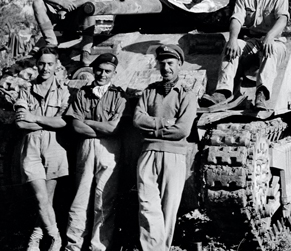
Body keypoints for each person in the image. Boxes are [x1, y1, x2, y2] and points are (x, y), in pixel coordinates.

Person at [200, 0, 289, 110]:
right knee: (232, 47)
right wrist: (233, 39)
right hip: (253, 41)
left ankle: (261, 93)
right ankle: (223, 91)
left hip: (275, 41)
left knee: (270, 49)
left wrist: (270, 36)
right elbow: (236, 19)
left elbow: (282, 19)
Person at [133, 44, 197, 251]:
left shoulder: (187, 94)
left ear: (179, 65)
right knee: (147, 204)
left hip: (174, 155)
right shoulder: (150, 91)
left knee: (169, 208)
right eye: (162, 63)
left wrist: (151, 127)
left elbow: (182, 130)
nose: (166, 68)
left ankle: (161, 247)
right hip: (148, 153)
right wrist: (165, 123)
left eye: (170, 63)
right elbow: (137, 119)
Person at [63, 53, 127, 251]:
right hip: (86, 147)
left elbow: (113, 128)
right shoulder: (84, 93)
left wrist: (88, 122)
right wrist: (100, 126)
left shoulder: (118, 96)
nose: (103, 74)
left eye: (108, 71)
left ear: (114, 73)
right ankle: (73, 244)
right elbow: (76, 125)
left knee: (104, 199)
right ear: (93, 70)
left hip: (109, 149)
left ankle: (98, 246)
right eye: (99, 70)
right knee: (80, 199)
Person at [14, 47, 69, 251]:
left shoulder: (63, 91)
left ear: (56, 66)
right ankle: (56, 236)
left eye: (49, 64)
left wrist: (35, 117)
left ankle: (36, 237)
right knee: (40, 196)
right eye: (42, 63)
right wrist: (48, 122)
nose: (45, 68)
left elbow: (64, 122)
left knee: (47, 196)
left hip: (55, 147)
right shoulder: (26, 90)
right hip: (32, 147)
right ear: (37, 65)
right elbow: (20, 123)